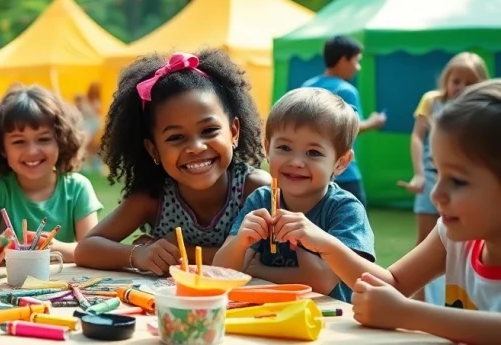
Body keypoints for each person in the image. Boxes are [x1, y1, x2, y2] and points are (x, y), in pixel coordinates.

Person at [298, 80, 501, 343]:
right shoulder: (451, 237)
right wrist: (327, 244)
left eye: (458, 181)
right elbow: (393, 283)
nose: (435, 194)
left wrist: (408, 314)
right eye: (437, 173)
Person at [75, 50, 270, 273]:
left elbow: (260, 259)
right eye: (176, 137)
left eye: (209, 130)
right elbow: (86, 248)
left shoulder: (255, 190)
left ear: (234, 132)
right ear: (154, 149)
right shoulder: (154, 197)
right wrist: (137, 255)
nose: (197, 147)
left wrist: (182, 250)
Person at [214, 88, 374, 302]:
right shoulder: (261, 200)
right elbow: (220, 273)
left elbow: (322, 283)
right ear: (267, 149)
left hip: (333, 322)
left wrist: (258, 269)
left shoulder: (344, 210)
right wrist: (241, 242)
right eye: (284, 147)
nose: (296, 162)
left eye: (313, 153)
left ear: (341, 162)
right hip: (271, 315)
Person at [399, 52, 488, 304]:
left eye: (469, 83)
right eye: (456, 80)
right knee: (427, 243)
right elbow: (417, 136)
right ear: (446, 80)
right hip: (429, 173)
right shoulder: (432, 101)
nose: (460, 88)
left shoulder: (483, 114)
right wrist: (420, 173)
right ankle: (419, 298)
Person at [0, 86, 103, 262]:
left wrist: (56, 248)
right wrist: (7, 248)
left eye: (43, 139)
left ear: (61, 140)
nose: (32, 151)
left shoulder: (77, 188)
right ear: (1, 148)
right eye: (19, 141)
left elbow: (93, 251)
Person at [301, 35, 385, 207]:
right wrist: (374, 122)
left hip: (312, 169)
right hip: (344, 173)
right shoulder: (346, 91)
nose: (358, 67)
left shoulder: (307, 86)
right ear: (343, 60)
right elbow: (351, 128)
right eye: (356, 61)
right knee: (356, 224)